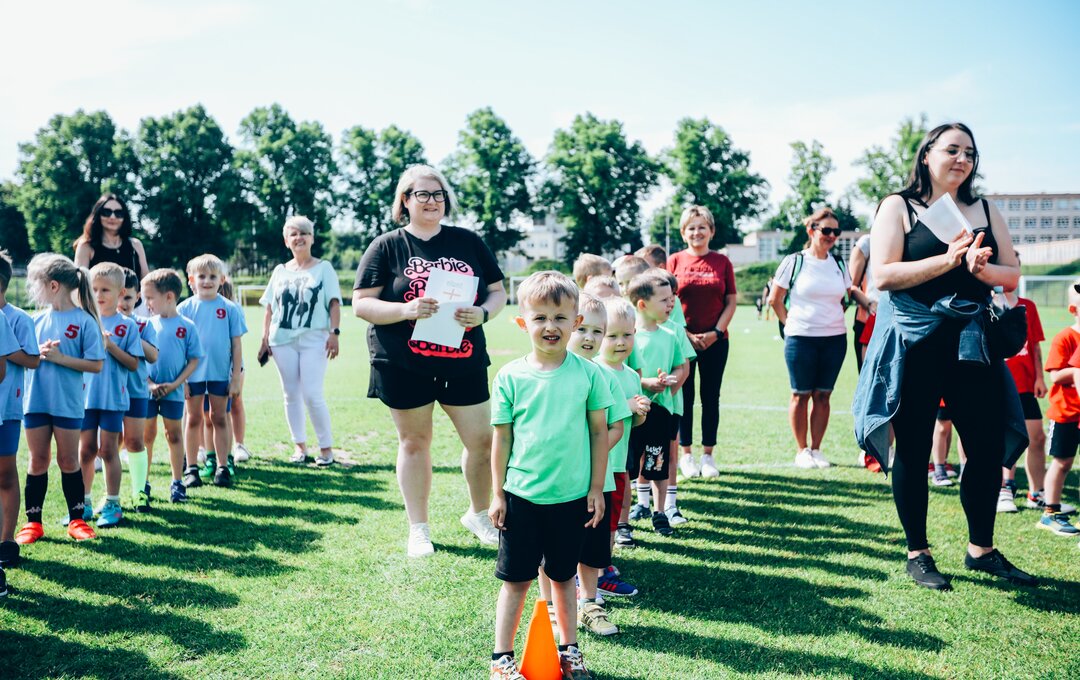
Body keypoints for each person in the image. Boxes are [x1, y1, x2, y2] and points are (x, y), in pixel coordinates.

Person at [855, 122, 1037, 590]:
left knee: (986, 448)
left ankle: (981, 550)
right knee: (914, 449)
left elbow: (1011, 275)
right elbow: (884, 275)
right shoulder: (898, 206)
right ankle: (918, 553)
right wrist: (949, 260)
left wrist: (981, 268)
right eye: (952, 150)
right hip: (915, 345)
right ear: (926, 155)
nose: (962, 159)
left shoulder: (985, 209)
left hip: (972, 344)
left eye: (970, 153)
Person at [354, 165, 507, 557]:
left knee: (482, 441)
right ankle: (418, 529)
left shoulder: (468, 241)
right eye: (422, 194)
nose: (432, 201)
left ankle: (478, 514)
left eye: (438, 194)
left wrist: (483, 314)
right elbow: (362, 303)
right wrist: (405, 310)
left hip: (463, 358)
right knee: (415, 442)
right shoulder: (386, 245)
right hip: (403, 362)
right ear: (405, 200)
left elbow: (497, 292)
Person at [488, 271, 610, 680]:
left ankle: (570, 651)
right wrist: (498, 494)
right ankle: (501, 659)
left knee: (563, 578)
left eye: (560, 317)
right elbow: (501, 439)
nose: (550, 326)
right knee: (516, 581)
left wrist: (596, 487)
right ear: (522, 322)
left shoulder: (589, 374)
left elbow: (599, 432)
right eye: (539, 318)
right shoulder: (510, 376)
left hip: (571, 498)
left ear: (577, 321)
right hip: (521, 498)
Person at [15, 254, 105, 544]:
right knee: (38, 459)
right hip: (35, 403)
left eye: (36, 284)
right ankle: (33, 523)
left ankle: (77, 521)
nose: (33, 291)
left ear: (53, 286)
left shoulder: (85, 321)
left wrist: (60, 358)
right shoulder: (35, 320)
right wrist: (38, 354)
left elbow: (96, 364)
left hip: (67, 404)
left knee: (68, 459)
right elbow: (25, 358)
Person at [769, 207, 864, 469]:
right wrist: (790, 324)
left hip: (834, 339)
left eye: (836, 231)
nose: (832, 235)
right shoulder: (794, 261)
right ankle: (802, 450)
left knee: (823, 395)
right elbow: (775, 299)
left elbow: (848, 293)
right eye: (826, 230)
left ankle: (817, 449)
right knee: (800, 395)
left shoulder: (839, 263)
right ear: (811, 230)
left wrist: (867, 302)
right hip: (801, 338)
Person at [259, 216, 341, 467]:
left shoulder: (324, 268)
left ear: (312, 238)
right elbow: (270, 308)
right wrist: (264, 339)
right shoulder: (280, 271)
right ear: (286, 241)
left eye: (304, 233)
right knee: (290, 394)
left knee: (313, 394)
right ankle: (300, 447)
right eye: (293, 234)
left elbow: (334, 302)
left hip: (314, 339)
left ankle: (326, 449)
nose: (299, 238)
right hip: (281, 340)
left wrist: (335, 333)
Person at [667, 206, 737, 479]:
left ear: (711, 231)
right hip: (681, 342)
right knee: (684, 398)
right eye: (691, 227)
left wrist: (716, 333)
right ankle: (686, 455)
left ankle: (708, 455)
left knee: (710, 398)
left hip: (715, 341)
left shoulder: (722, 262)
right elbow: (666, 302)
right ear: (683, 232)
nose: (697, 232)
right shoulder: (674, 261)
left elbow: (731, 300)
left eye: (702, 227)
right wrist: (686, 335)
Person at [77, 263, 143, 528]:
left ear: (120, 293)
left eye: (105, 290)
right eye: (94, 289)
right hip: (84, 399)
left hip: (113, 399)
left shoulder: (128, 326)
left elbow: (134, 364)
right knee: (85, 450)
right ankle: (83, 503)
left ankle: (113, 503)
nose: (98, 295)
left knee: (107, 450)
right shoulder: (84, 320)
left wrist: (110, 346)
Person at [625, 272, 686, 536]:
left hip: (662, 413)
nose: (670, 304)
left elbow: (679, 367)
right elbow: (624, 374)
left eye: (671, 298)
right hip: (635, 412)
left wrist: (669, 379)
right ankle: (625, 518)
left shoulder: (670, 335)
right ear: (642, 304)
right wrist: (646, 382)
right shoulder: (629, 337)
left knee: (657, 462)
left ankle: (660, 513)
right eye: (663, 300)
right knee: (630, 465)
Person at [178, 254, 246, 489]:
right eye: (202, 276)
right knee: (193, 418)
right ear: (191, 280)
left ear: (222, 279)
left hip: (219, 374)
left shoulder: (230, 309)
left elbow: (236, 345)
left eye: (212, 276)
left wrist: (235, 377)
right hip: (193, 375)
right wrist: (182, 380)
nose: (207, 281)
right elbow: (179, 347)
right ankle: (191, 469)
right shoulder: (184, 308)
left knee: (219, 417)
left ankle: (222, 466)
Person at [142, 269, 202, 504]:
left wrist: (176, 383)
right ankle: (142, 484)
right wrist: (150, 384)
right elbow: (139, 360)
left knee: (173, 435)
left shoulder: (187, 326)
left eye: (150, 298)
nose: (146, 303)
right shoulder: (146, 325)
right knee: (146, 436)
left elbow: (194, 359)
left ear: (168, 296)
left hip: (174, 392)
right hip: (147, 392)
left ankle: (177, 483)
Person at [0, 251, 40, 569]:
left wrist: (7, 349)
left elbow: (33, 359)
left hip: (8, 407)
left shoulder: (18, 319)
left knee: (5, 473)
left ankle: (7, 540)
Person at [1037, 282, 1080, 536]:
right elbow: (1055, 375)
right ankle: (1050, 512)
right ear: (1074, 310)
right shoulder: (1066, 337)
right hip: (1066, 413)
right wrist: (1075, 372)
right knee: (1062, 462)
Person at [118, 268, 158, 512]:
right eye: (118, 296)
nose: (122, 303)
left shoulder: (143, 324)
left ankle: (139, 491)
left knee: (135, 440)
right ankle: (110, 497)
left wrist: (130, 331)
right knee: (109, 445)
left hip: (135, 392)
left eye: (128, 297)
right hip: (108, 394)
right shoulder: (100, 324)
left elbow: (153, 355)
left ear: (138, 297)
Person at [73, 194, 150, 282]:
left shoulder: (135, 245)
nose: (112, 217)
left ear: (124, 217)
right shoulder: (86, 246)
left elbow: (146, 282)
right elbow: (79, 283)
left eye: (118, 213)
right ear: (98, 215)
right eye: (107, 212)